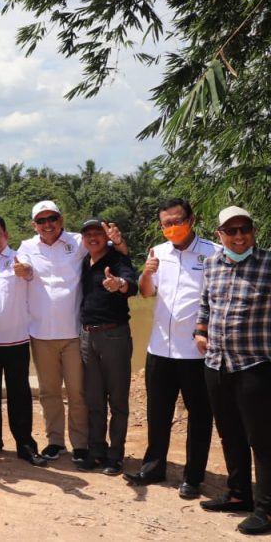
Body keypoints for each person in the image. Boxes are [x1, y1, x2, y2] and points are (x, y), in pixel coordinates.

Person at [15, 200, 127, 463]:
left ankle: (80, 442)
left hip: (74, 332)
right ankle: (55, 441)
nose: (47, 224)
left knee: (78, 392)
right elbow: (19, 265)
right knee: (49, 392)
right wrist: (18, 268)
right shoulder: (27, 247)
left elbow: (114, 250)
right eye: (41, 221)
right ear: (34, 225)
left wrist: (119, 242)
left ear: (61, 219)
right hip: (41, 333)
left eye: (51, 218)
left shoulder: (78, 242)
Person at [125, 198, 215, 499]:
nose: (173, 227)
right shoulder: (158, 253)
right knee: (158, 411)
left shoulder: (212, 253)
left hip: (196, 351)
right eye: (167, 224)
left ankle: (193, 477)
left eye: (178, 221)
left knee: (199, 415)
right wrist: (147, 272)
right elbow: (147, 293)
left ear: (192, 218)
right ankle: (153, 467)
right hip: (160, 348)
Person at [195, 206, 271, 536]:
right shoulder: (212, 264)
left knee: (262, 439)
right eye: (232, 230)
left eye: (245, 229)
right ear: (220, 235)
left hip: (256, 364)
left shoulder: (268, 263)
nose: (239, 236)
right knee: (230, 433)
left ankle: (267, 509)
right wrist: (200, 329)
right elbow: (206, 302)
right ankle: (240, 493)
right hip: (217, 363)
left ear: (253, 231)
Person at [0, 216, 46, 466]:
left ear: (6, 234)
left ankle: (25, 443)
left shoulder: (19, 258)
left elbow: (28, 273)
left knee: (19, 394)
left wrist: (24, 271)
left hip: (16, 341)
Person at [76, 218, 138, 476]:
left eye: (98, 234)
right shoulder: (84, 262)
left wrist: (119, 285)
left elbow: (131, 285)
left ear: (107, 237)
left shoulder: (117, 260)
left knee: (118, 400)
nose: (93, 238)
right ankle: (97, 452)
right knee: (94, 399)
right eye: (88, 234)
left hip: (114, 336)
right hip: (88, 337)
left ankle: (116, 455)